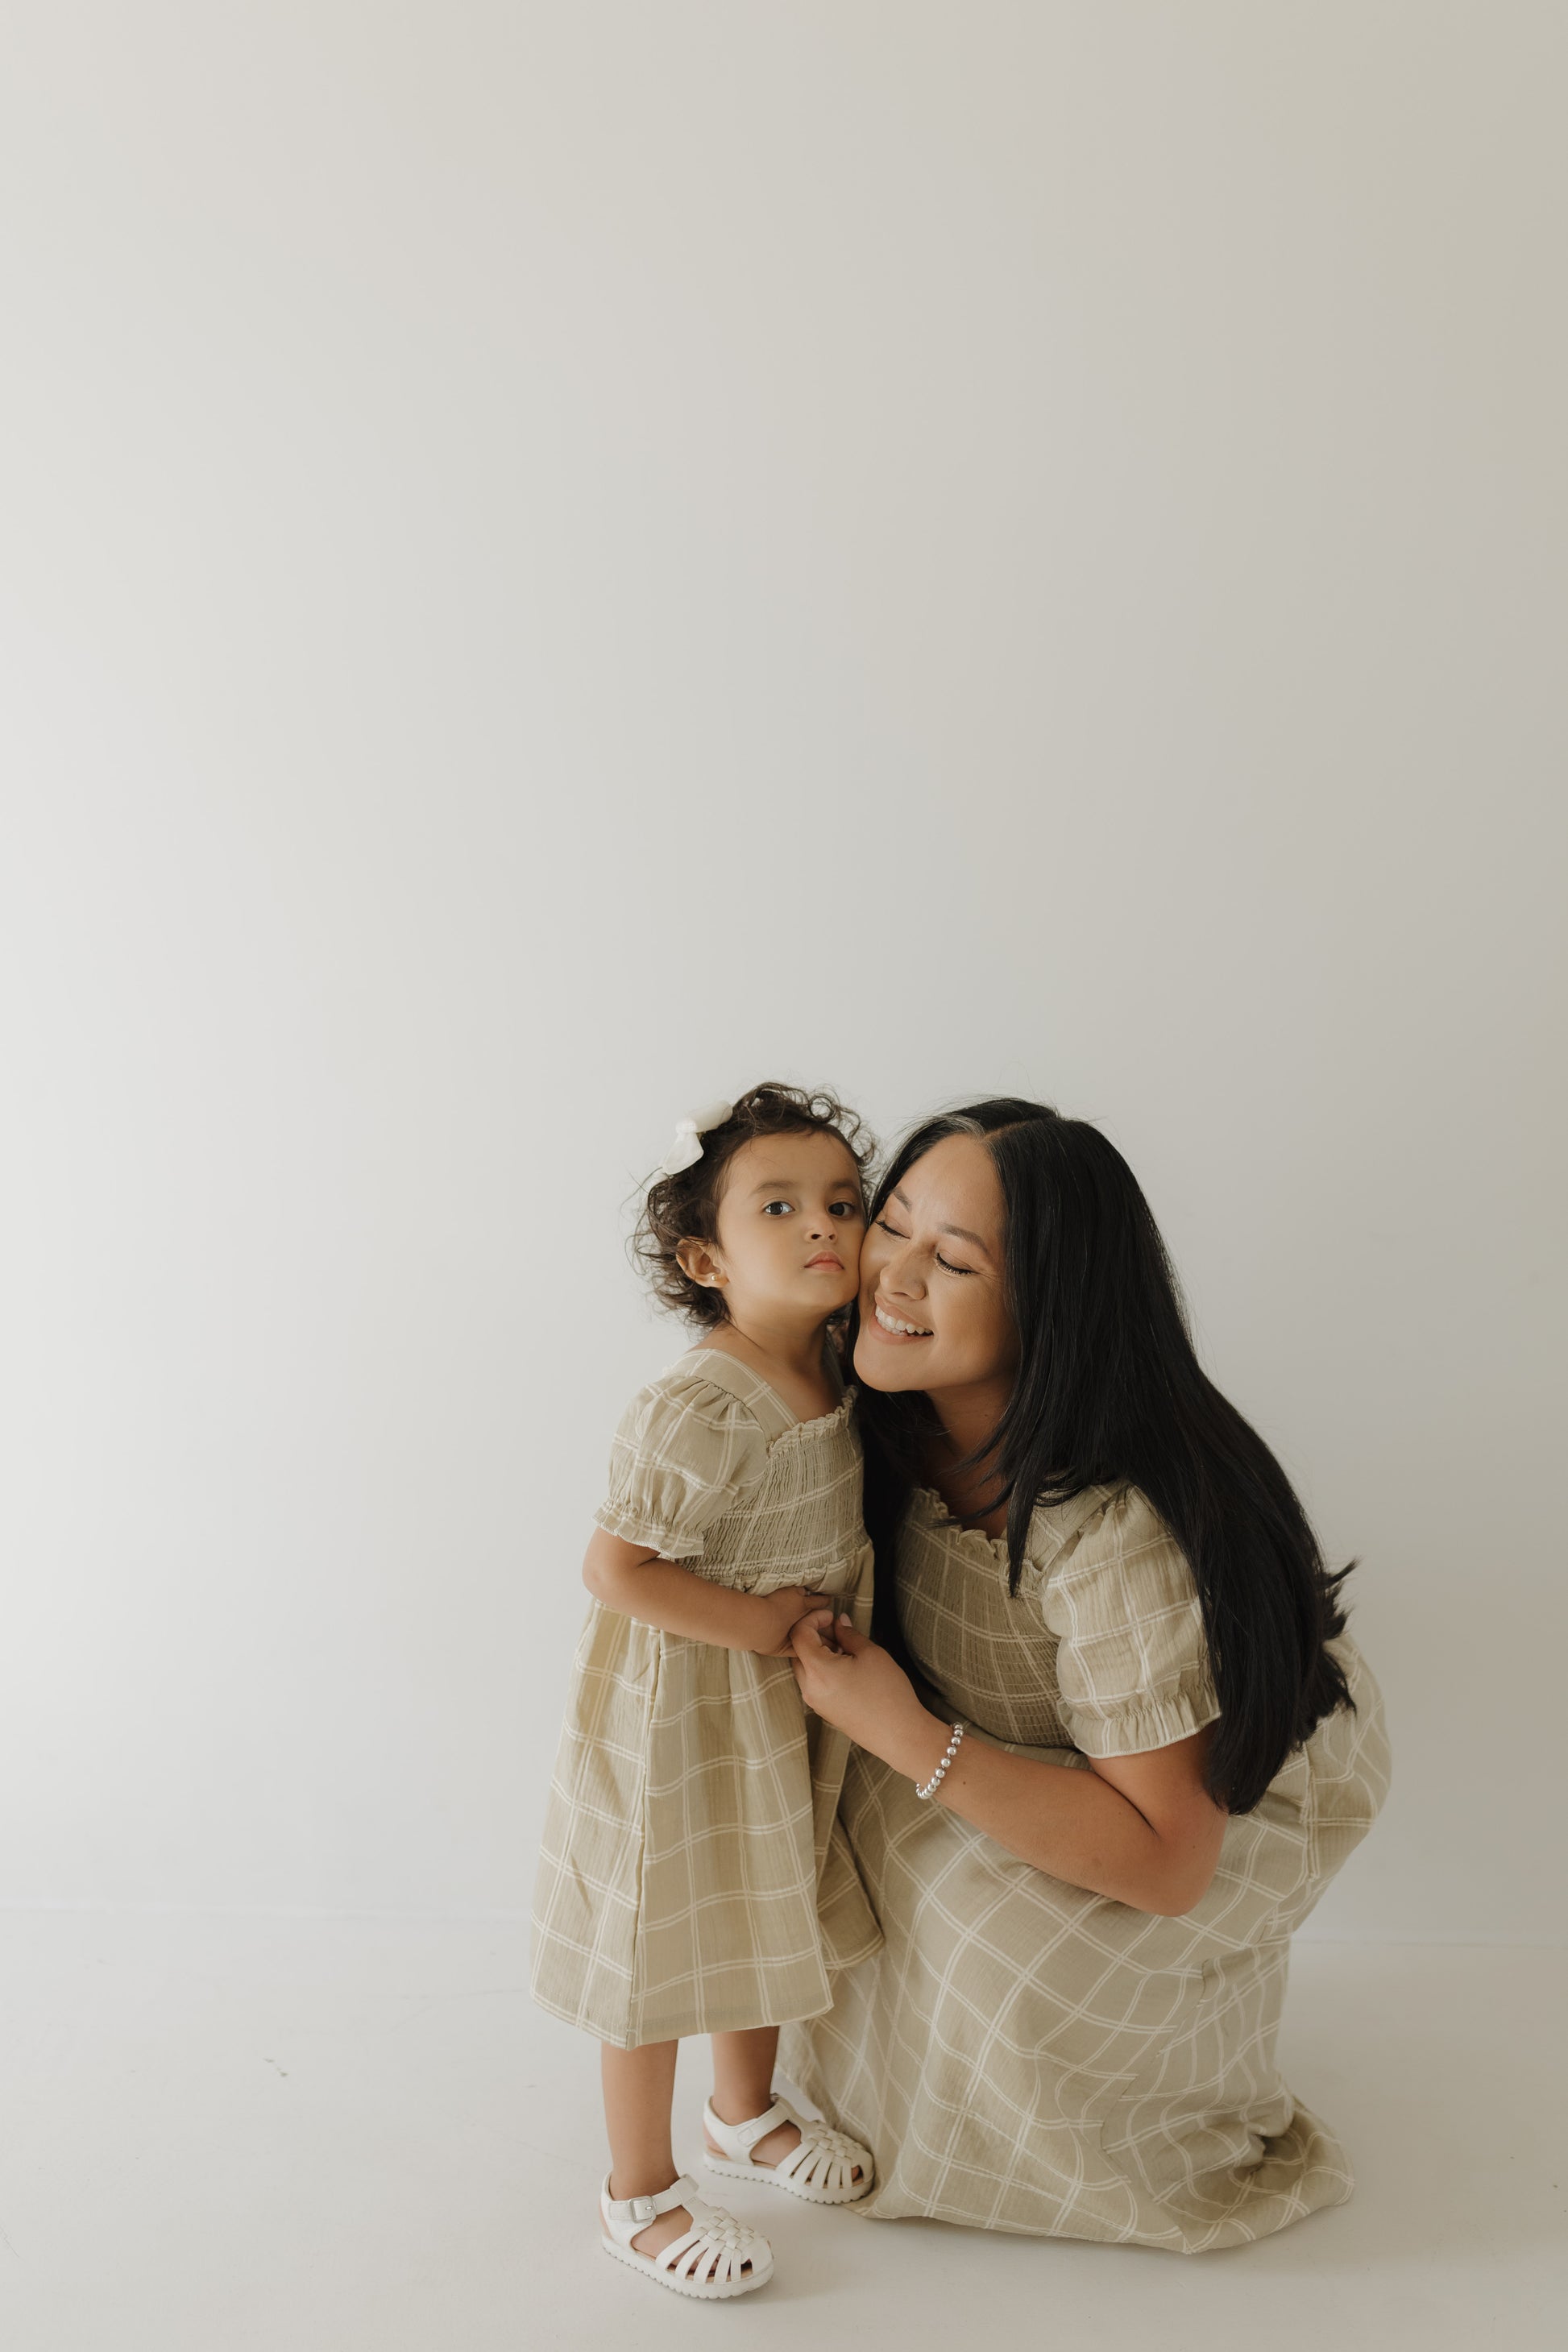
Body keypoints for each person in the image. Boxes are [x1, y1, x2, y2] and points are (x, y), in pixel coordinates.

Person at [783, 1098, 1391, 2253]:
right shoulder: (880, 1416)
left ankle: (1146, 2126)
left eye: (953, 1260)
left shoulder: (1115, 1532)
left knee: (986, 1941)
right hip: (1017, 1743)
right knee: (827, 1836)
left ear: (1048, 1309)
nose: (892, 1276)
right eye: (891, 1225)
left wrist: (905, 1735)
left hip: (1196, 1805)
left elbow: (1167, 1860)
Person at [531, 1084, 881, 2300]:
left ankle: (744, 2112)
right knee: (662, 1931)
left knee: (766, 1895)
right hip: (680, 1708)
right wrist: (768, 1624)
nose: (821, 1224)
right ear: (705, 1260)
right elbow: (616, 1570)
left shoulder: (839, 1368)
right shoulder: (699, 1405)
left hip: (772, 1701)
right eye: (776, 1207)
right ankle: (636, 2189)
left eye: (843, 1201)